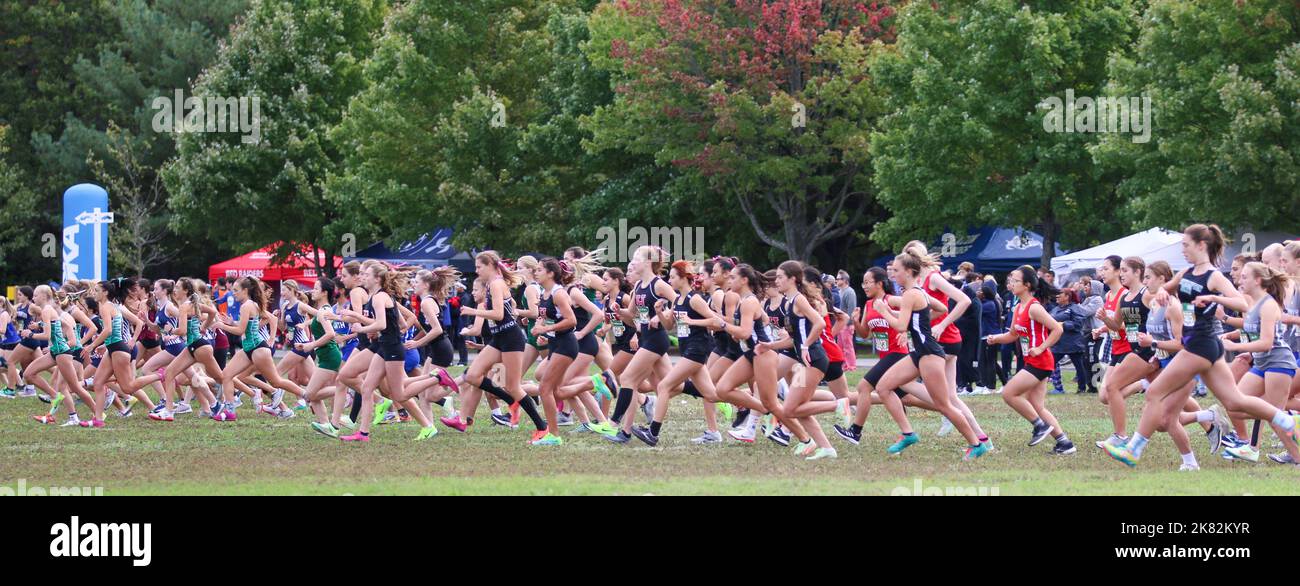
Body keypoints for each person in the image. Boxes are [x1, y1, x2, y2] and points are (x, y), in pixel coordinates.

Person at [1048, 288, 1094, 394]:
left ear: (1067, 297)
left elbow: (1078, 325)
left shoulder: (1075, 308)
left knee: (1079, 367)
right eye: (1057, 295)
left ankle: (1081, 388)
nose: (1057, 296)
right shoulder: (1055, 309)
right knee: (1050, 363)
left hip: (1073, 343)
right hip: (1058, 342)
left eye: (1060, 294)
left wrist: (1063, 324)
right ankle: (1057, 387)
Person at [835, 270, 857, 371]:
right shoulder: (840, 291)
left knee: (848, 346)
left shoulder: (850, 292)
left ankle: (851, 366)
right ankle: (844, 365)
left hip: (847, 324)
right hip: (840, 323)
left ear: (845, 280)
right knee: (840, 346)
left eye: (838, 278)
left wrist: (851, 323)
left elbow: (851, 308)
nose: (836, 280)